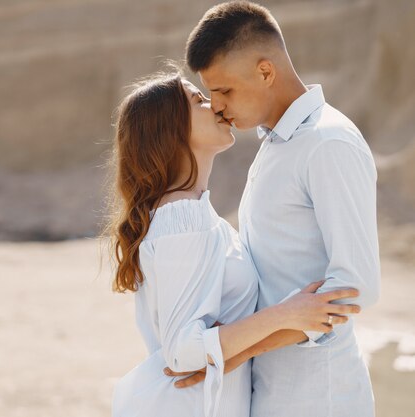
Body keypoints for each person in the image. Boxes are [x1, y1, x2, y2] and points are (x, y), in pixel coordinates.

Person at [165, 2, 381, 417]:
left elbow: (354, 288)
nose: (217, 107)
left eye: (224, 90)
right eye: (209, 94)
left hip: (322, 397)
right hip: (272, 392)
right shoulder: (278, 144)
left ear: (265, 71)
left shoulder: (327, 143)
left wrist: (237, 351)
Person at [106, 71, 361, 417]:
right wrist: (285, 314)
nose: (217, 106)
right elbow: (182, 352)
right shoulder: (182, 220)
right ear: (170, 130)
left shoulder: (193, 212)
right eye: (199, 100)